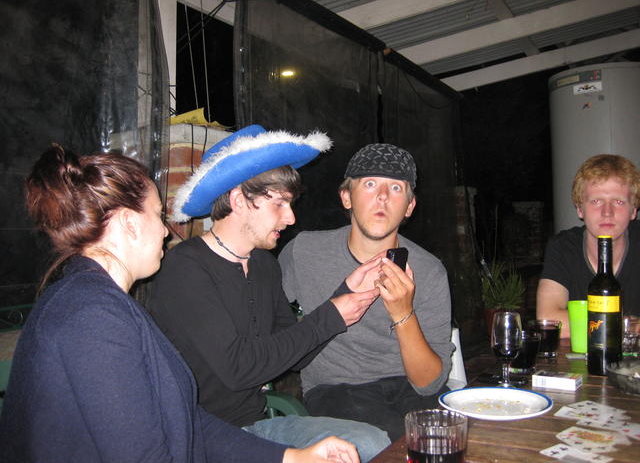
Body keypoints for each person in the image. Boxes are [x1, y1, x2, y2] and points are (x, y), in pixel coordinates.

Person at [0, 143, 360, 463]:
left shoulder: (104, 304)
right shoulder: (92, 317)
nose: (165, 231)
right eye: (158, 216)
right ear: (128, 223)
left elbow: (183, 421)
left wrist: (289, 457)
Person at [147, 125, 391, 462]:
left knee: (371, 441)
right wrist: (332, 314)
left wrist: (346, 293)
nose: (290, 218)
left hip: (258, 426)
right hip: (202, 440)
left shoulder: (264, 264)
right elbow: (239, 369)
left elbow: (297, 355)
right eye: (279, 203)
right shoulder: (186, 268)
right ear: (238, 201)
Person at [278, 143, 455, 441]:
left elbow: (429, 384)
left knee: (451, 437)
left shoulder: (430, 270)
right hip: (336, 389)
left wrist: (403, 313)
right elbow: (269, 332)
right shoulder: (304, 252)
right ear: (346, 197)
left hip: (410, 388)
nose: (383, 196)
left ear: (409, 206)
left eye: (396, 188)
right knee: (391, 443)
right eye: (370, 184)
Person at [537, 154, 640, 338]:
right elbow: (549, 320)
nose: (607, 212)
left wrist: (589, 324)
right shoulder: (563, 247)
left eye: (618, 201)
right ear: (579, 209)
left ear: (633, 210)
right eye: (596, 201)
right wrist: (627, 325)